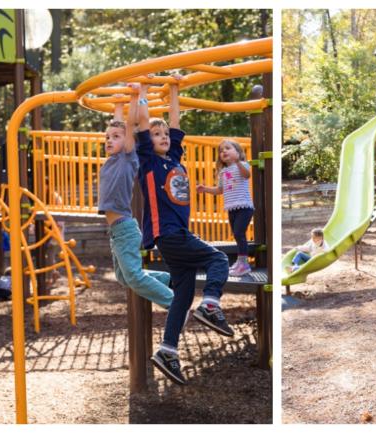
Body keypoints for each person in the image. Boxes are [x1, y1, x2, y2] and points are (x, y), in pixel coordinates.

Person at [134, 76, 232, 385]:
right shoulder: (148, 161)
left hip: (174, 237)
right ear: (147, 141)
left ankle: (167, 350)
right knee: (218, 260)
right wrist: (144, 93)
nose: (163, 137)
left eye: (164, 134)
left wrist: (174, 91)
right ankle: (212, 303)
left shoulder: (174, 157)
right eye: (156, 133)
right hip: (170, 234)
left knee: (182, 295)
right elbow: (141, 124)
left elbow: (176, 124)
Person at [99, 82, 174, 309]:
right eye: (107, 138)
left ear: (127, 141)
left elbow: (128, 126)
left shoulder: (127, 157)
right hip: (115, 231)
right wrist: (119, 105)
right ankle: (170, 280)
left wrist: (135, 96)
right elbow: (119, 125)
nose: (109, 140)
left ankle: (174, 302)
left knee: (133, 277)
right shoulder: (112, 160)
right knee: (124, 277)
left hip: (124, 229)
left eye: (115, 137)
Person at [196, 139, 254, 276]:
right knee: (236, 234)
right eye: (221, 151)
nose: (224, 152)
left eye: (228, 148)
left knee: (239, 233)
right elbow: (220, 190)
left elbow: (247, 175)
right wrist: (205, 189)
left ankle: (244, 264)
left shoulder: (243, 165)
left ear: (238, 152)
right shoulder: (223, 172)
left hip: (244, 207)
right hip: (231, 208)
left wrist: (238, 161)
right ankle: (240, 262)